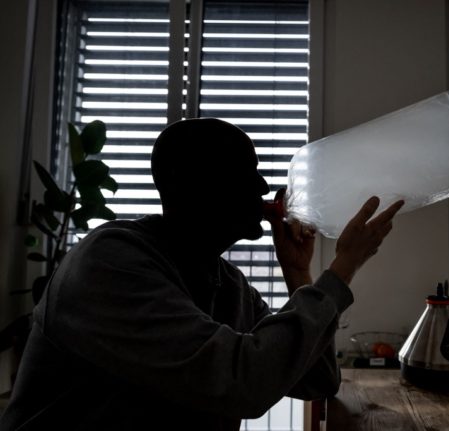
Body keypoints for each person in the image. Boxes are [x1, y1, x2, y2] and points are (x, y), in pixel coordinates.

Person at [0, 118, 404, 430]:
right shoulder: (109, 262)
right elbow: (240, 383)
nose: (265, 185)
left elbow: (317, 381)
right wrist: (343, 267)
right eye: (249, 171)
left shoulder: (224, 282)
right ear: (199, 187)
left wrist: (298, 273)